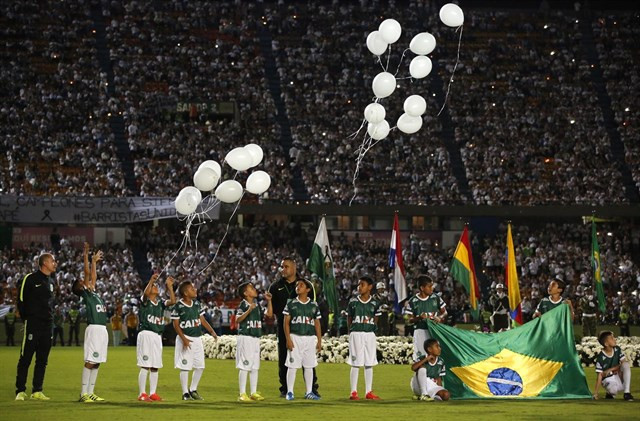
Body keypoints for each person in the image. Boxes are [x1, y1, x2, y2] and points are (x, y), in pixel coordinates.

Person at [269, 258, 319, 397]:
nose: (283, 269)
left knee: (308, 360)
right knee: (284, 358)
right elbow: (271, 310)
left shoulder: (305, 285)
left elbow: (312, 307)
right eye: (282, 266)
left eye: (286, 267)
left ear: (294, 268)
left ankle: (312, 389)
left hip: (304, 326)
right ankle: (285, 389)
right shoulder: (274, 286)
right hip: (283, 325)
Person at [15, 252, 58, 401]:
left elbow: (49, 304)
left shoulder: (51, 281)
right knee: (25, 357)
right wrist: (27, 319)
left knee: (42, 359)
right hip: (33, 324)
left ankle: (37, 390)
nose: (55, 263)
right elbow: (21, 300)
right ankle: (20, 390)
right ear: (44, 263)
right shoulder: (30, 278)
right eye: (53, 261)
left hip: (48, 325)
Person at [172, 280, 217, 401]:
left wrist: (212, 332)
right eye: (192, 289)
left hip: (197, 339)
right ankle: (185, 393)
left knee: (200, 366)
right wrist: (184, 339)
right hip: (185, 338)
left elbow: (202, 320)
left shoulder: (197, 304)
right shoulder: (178, 306)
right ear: (186, 293)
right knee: (185, 366)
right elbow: (175, 325)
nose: (195, 290)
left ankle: (193, 389)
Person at [73, 248, 108, 403]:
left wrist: (94, 263)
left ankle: (91, 392)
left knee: (98, 361)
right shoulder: (85, 294)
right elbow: (88, 273)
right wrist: (87, 257)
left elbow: (92, 276)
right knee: (90, 361)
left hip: (102, 328)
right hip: (93, 328)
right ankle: (83, 393)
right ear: (80, 288)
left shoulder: (92, 292)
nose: (85, 281)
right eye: (82, 282)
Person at [137, 273, 176, 402]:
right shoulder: (145, 301)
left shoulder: (160, 303)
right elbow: (145, 294)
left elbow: (173, 301)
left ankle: (153, 393)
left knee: (155, 365)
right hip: (146, 334)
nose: (156, 287)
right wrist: (150, 280)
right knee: (145, 365)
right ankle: (142, 393)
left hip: (157, 336)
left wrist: (169, 287)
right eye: (154, 286)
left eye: (156, 286)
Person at [283, 279, 322, 401]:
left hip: (310, 338)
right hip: (295, 337)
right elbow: (286, 323)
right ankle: (290, 392)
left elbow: (317, 324)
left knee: (309, 366)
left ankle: (309, 391)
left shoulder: (314, 305)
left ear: (308, 290)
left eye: (301, 285)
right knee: (292, 366)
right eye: (297, 285)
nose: (298, 287)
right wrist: (288, 339)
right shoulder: (291, 303)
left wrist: (319, 340)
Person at [235, 281, 273, 402]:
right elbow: (237, 319)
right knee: (245, 366)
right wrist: (249, 310)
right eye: (251, 288)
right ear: (246, 293)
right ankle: (242, 393)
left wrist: (269, 301)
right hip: (245, 337)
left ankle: (253, 392)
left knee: (254, 367)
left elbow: (269, 314)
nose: (254, 289)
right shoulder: (243, 305)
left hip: (256, 338)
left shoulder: (257, 305)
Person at [347, 276, 382, 401]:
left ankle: (368, 391)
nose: (359, 287)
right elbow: (349, 319)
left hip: (369, 334)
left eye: (362, 284)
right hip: (356, 333)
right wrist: (350, 331)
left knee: (369, 363)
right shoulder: (353, 302)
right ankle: (353, 391)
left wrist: (372, 328)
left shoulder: (375, 303)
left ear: (370, 287)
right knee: (356, 363)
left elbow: (376, 319)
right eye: (359, 284)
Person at [405, 275, 447, 359]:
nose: (432, 288)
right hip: (420, 332)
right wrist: (419, 317)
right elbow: (409, 320)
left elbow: (445, 312)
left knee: (435, 357)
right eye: (429, 286)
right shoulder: (413, 301)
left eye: (432, 286)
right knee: (421, 358)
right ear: (422, 288)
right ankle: (420, 372)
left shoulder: (436, 298)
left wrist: (440, 317)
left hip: (434, 331)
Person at [593, 331, 634, 401]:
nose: (615, 339)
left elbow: (623, 363)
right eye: (612, 338)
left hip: (618, 376)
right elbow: (600, 375)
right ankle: (610, 393)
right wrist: (595, 393)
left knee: (626, 364)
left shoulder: (617, 349)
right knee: (613, 391)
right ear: (606, 344)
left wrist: (610, 369)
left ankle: (627, 393)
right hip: (608, 379)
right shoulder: (600, 357)